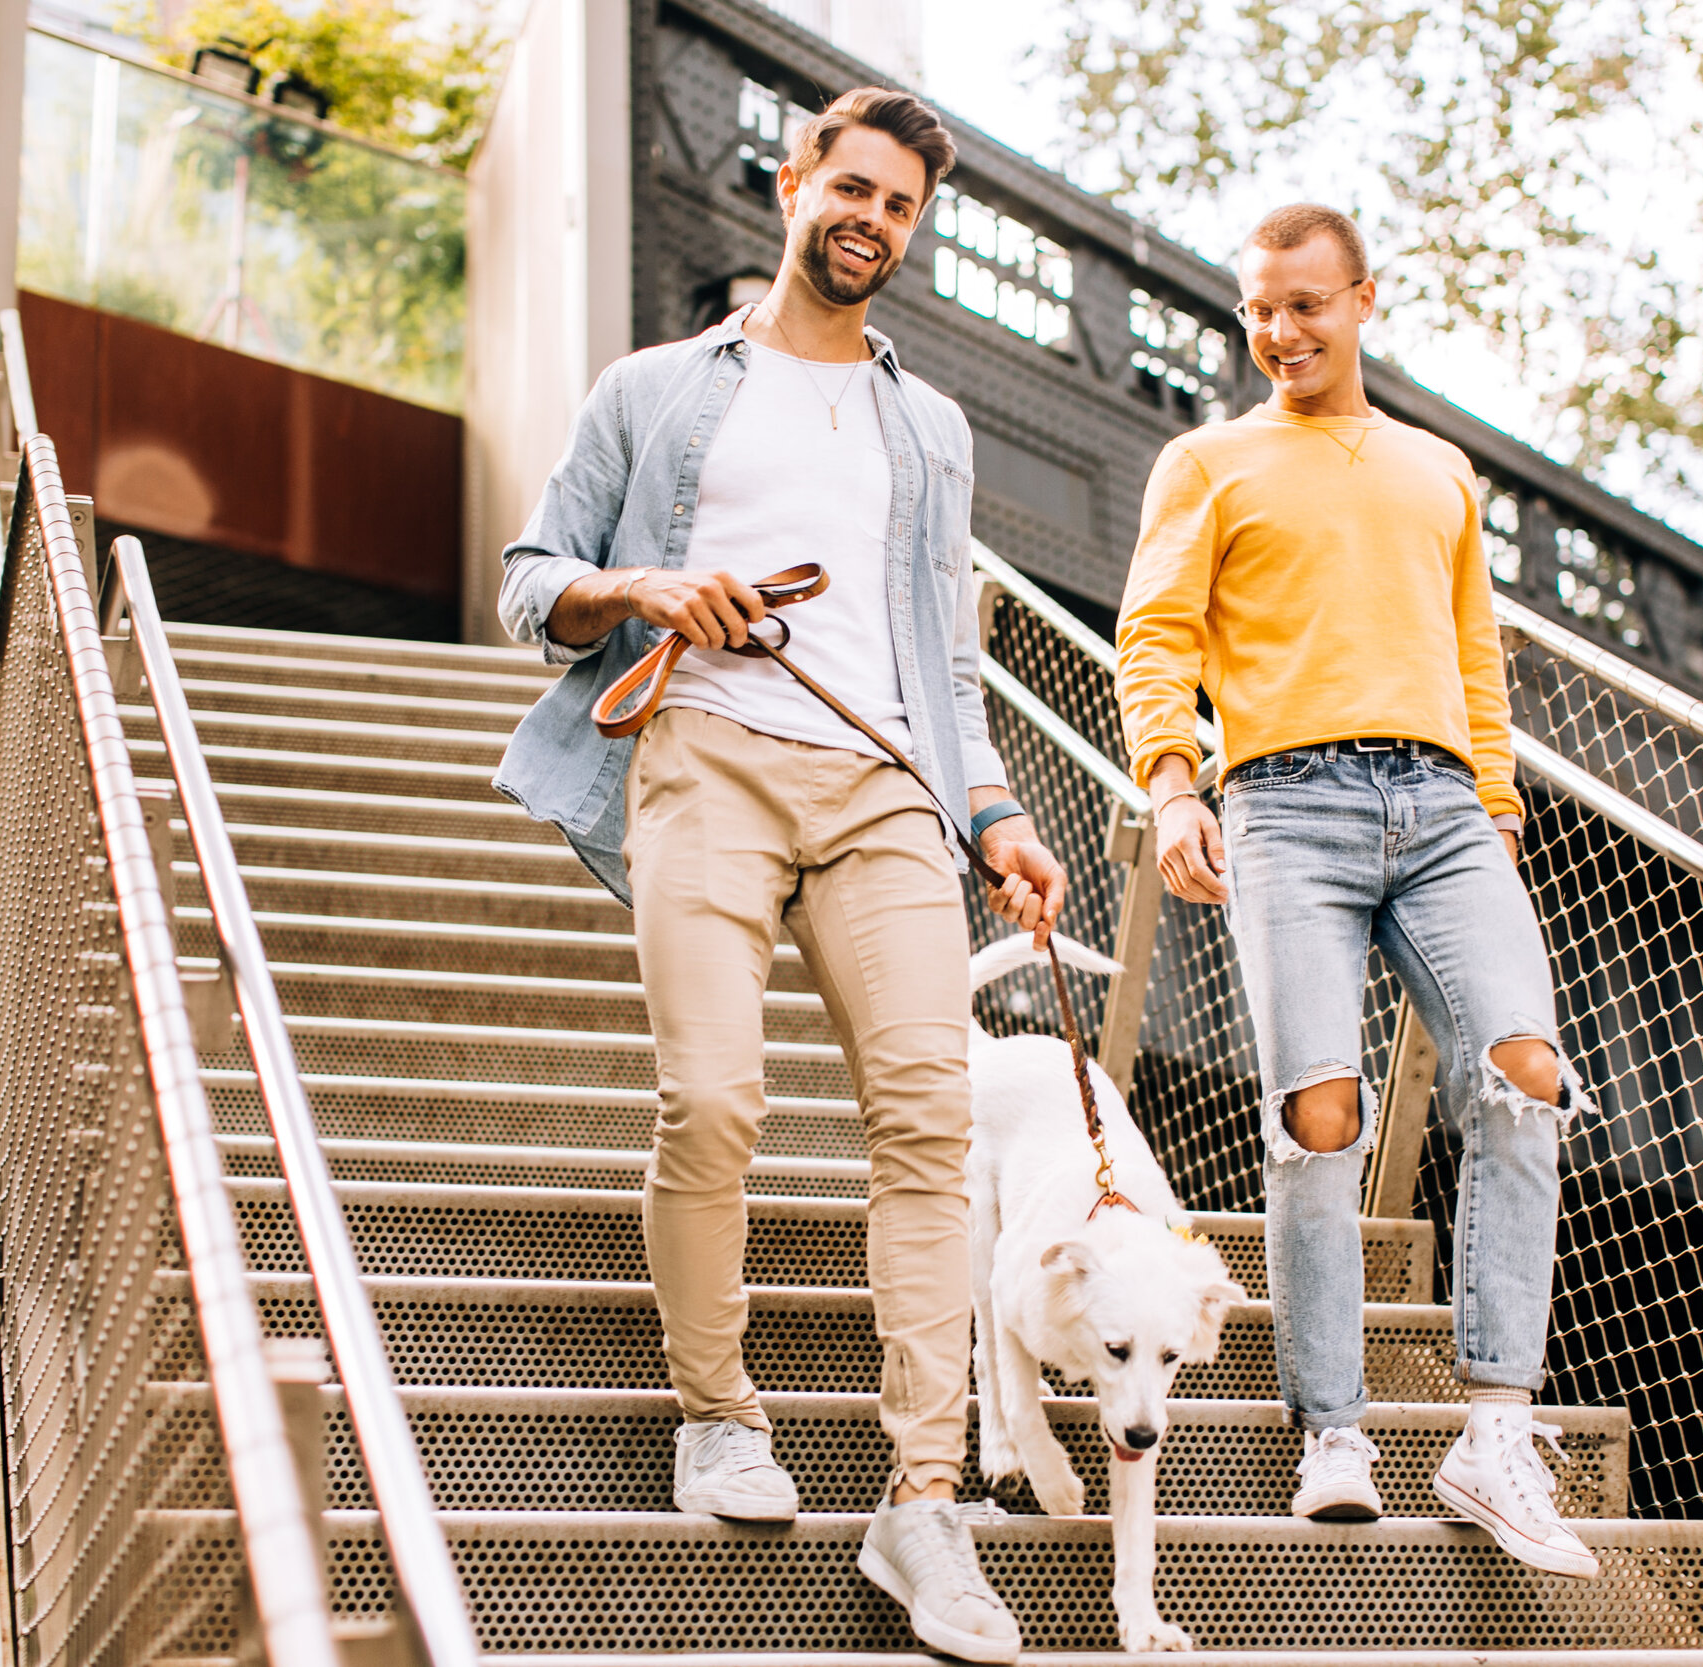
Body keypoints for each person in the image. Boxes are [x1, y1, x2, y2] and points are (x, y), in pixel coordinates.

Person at [492, 86, 1067, 1664]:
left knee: (928, 1120)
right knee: (717, 1102)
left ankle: (927, 1502)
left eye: (902, 207)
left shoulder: (927, 429)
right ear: (797, 181)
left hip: (885, 792)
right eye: (854, 187)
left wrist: (999, 811)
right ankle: (715, 1414)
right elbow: (528, 582)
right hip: (706, 761)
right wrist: (650, 586)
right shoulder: (659, 391)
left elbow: (945, 656)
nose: (873, 220)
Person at [1113, 203, 1595, 1580]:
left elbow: (1475, 656)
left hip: (1446, 810)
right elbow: (1156, 633)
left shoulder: (1440, 471)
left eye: (1307, 305)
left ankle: (1494, 1432)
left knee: (1526, 1075)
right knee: (1320, 1112)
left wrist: (1497, 811)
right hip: (1287, 805)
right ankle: (1335, 1430)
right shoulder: (1207, 461)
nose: (1280, 332)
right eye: (1259, 309)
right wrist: (1172, 781)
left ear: (1363, 301)